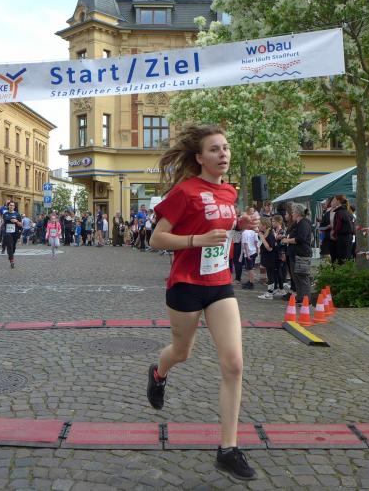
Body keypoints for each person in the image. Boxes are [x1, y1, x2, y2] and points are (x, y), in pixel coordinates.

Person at [147, 124, 259, 480]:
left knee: (234, 364)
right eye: (214, 149)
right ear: (199, 158)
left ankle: (228, 449)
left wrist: (241, 223)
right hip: (186, 284)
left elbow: (222, 226)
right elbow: (156, 239)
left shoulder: (229, 191)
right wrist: (196, 240)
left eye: (225, 148)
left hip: (219, 283)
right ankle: (158, 373)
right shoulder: (185, 191)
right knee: (182, 352)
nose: (223, 154)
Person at [282, 204, 313, 303]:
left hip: (302, 253)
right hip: (294, 253)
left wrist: (287, 241)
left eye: (293, 212)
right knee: (296, 277)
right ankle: (300, 298)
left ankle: (306, 300)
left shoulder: (304, 223)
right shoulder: (297, 223)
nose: (292, 214)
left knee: (302, 277)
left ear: (298, 213)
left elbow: (301, 238)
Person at [331, 195, 354, 264]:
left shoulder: (339, 213)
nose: (332, 202)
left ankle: (343, 270)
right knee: (347, 257)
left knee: (342, 258)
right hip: (348, 237)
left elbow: (338, 226)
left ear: (338, 201)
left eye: (334, 200)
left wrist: (333, 233)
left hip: (342, 238)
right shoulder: (347, 211)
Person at [1, 202, 21, 268]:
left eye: (13, 205)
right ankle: (11, 260)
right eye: (10, 205)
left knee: (13, 247)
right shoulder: (5, 214)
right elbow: (4, 221)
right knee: (10, 245)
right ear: (8, 206)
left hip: (15, 232)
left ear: (14, 207)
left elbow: (20, 224)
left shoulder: (17, 214)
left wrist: (16, 221)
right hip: (7, 232)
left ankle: (11, 254)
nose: (11, 206)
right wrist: (0, 226)